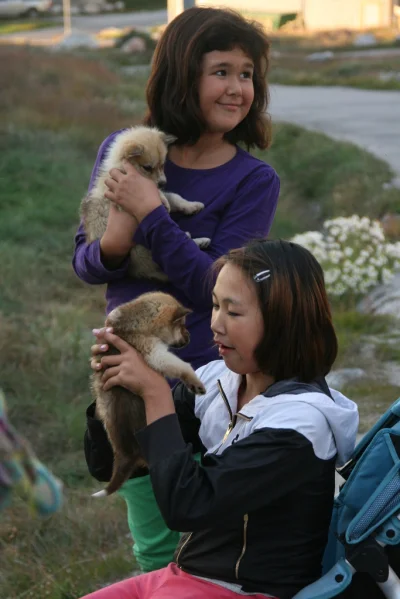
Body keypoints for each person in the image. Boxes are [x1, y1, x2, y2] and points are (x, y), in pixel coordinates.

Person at [74, 6, 280, 572]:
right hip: (129, 375)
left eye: (247, 74)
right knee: (158, 548)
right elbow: (87, 263)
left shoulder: (253, 181)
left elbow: (216, 288)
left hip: (212, 383)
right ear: (182, 76)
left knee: (215, 544)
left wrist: (152, 215)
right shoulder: (127, 149)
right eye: (222, 71)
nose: (239, 87)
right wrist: (116, 241)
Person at [82, 238, 359, 599]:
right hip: (182, 576)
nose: (215, 324)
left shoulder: (301, 424)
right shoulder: (219, 383)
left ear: (283, 321)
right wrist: (116, 388)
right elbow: (112, 463)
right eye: (214, 306)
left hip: (243, 591)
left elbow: (188, 506)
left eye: (233, 312)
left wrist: (155, 394)